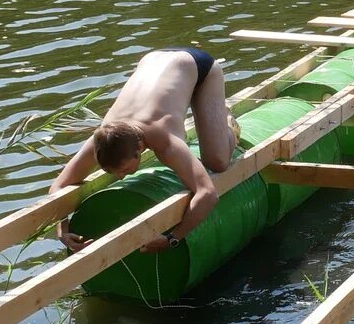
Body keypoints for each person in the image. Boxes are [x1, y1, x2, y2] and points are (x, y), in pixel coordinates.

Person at [51, 48, 237, 253]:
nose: (121, 177)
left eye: (123, 169)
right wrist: (62, 227)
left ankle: (226, 123)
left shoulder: (164, 140)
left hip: (199, 67)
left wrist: (172, 238)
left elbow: (208, 194)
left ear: (140, 148)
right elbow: (59, 185)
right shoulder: (104, 136)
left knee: (217, 162)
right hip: (154, 62)